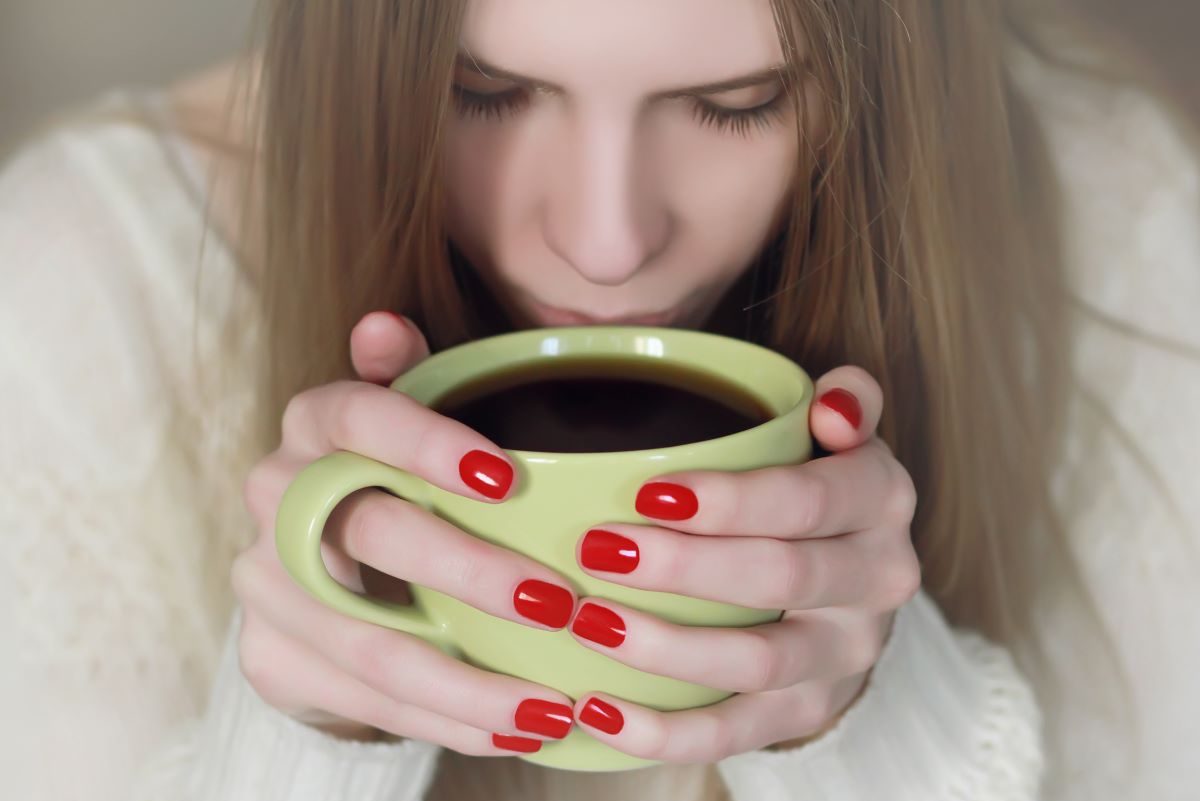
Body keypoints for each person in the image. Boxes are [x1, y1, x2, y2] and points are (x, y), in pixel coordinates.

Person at [1, 0, 1197, 799]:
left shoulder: (1119, 220)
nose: (607, 245)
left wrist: (867, 725)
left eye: (738, 102)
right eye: (483, 91)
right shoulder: (80, 289)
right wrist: (310, 745)